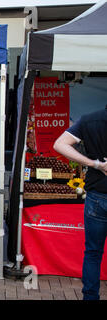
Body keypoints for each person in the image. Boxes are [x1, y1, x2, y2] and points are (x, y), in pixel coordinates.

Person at [53, 107, 107, 300]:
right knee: (93, 252)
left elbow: (60, 145)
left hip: (98, 196)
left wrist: (95, 164)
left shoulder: (90, 119)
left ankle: (90, 297)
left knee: (93, 252)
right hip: (98, 195)